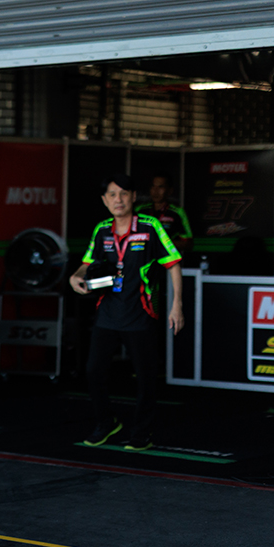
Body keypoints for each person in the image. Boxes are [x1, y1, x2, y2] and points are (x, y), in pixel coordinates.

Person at [69, 173, 184, 452]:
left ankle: (142, 432)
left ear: (133, 197)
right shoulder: (102, 230)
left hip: (140, 313)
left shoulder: (150, 226)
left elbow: (173, 264)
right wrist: (76, 276)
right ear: (104, 200)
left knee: (145, 378)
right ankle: (106, 423)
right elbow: (87, 262)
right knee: (93, 371)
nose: (118, 199)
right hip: (108, 313)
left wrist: (177, 305)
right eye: (112, 195)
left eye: (123, 194)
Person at [135, 172, 193, 255]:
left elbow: (188, 243)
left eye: (160, 187)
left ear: (170, 191)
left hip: (168, 260)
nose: (156, 191)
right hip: (143, 259)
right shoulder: (140, 210)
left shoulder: (177, 212)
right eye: (153, 186)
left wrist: (162, 242)